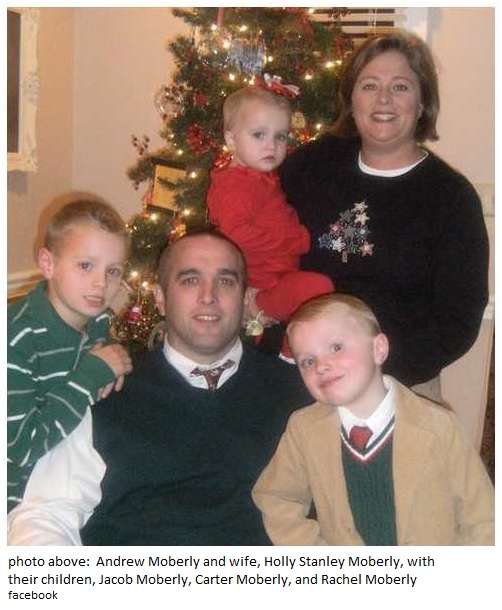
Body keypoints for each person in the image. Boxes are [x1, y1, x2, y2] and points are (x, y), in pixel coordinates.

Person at [7, 230, 313, 546]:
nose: (208, 295)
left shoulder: (298, 394)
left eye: (225, 281)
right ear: (160, 298)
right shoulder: (106, 390)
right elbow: (46, 513)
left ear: (245, 298)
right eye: (190, 280)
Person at [279, 31, 489, 401]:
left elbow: (458, 320)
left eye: (401, 87)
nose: (383, 99)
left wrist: (371, 373)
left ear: (423, 103)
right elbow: (260, 232)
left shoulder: (450, 198)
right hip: (296, 376)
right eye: (370, 85)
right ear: (351, 100)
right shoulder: (312, 165)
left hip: (396, 386)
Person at [252, 294, 495, 546]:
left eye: (336, 348)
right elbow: (276, 496)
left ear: (378, 349)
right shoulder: (304, 429)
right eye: (308, 361)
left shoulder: (440, 426)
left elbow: (483, 520)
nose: (321, 366)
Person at [7, 198, 133, 512]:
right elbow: (20, 448)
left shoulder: (98, 320)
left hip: (73, 474)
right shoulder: (16, 339)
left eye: (113, 271)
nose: (101, 283)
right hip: (19, 501)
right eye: (85, 265)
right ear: (48, 264)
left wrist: (112, 360)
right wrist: (90, 375)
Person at [207, 86, 333, 336]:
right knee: (318, 289)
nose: (271, 146)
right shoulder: (235, 186)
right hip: (261, 285)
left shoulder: (259, 177)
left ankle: (292, 344)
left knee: (318, 299)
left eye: (281, 137)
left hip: (279, 276)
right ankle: (277, 331)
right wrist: (293, 239)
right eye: (259, 135)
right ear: (231, 139)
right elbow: (236, 236)